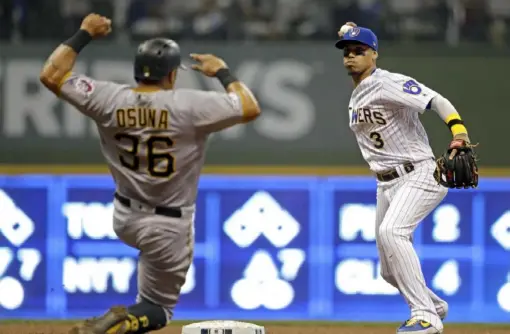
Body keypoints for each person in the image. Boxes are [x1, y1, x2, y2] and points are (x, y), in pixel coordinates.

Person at [39, 13, 261, 334]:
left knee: (150, 288)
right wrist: (222, 71)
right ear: (172, 75)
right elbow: (248, 105)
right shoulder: (188, 105)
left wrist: (84, 33)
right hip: (167, 225)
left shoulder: (108, 98)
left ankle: (119, 320)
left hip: (124, 216)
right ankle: (124, 321)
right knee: (159, 309)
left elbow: (51, 74)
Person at [334, 22, 477, 334]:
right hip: (386, 184)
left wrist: (459, 133)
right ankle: (435, 305)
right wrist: (349, 31)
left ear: (374, 54)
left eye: (359, 51)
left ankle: (426, 316)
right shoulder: (357, 95)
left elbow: (437, 101)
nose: (351, 56)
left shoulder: (388, 83)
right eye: (347, 52)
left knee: (392, 231)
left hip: (419, 172)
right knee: (388, 270)